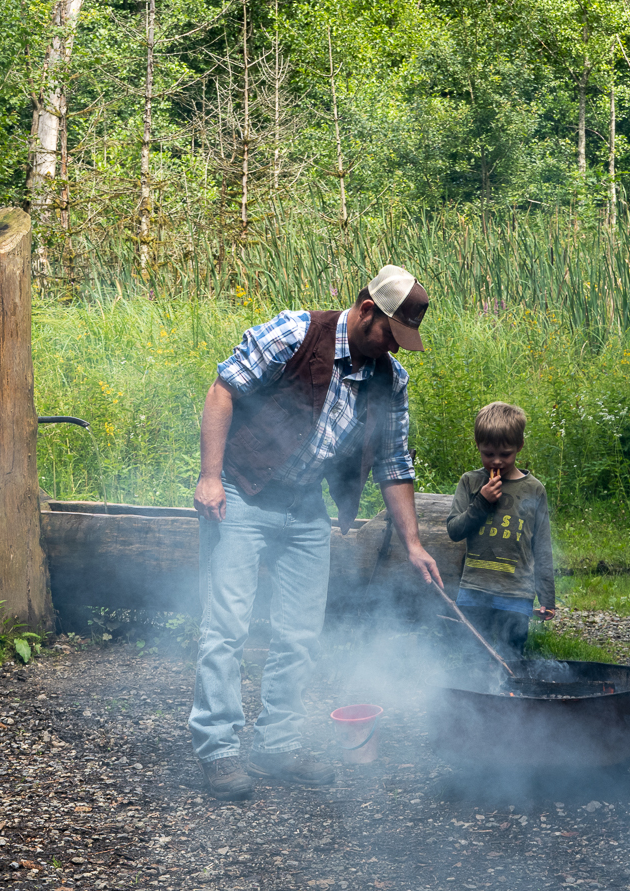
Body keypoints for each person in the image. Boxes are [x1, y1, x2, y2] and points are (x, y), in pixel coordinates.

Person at [189, 265, 442, 800]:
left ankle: (276, 748)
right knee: (228, 626)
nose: (392, 350)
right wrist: (210, 477)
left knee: (300, 635)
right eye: (389, 337)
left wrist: (414, 545)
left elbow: (394, 464)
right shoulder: (295, 332)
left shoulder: (389, 380)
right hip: (243, 491)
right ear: (367, 309)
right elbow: (222, 390)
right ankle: (217, 750)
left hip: (304, 506)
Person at [444, 401, 555, 662]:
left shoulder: (534, 489)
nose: (496, 461)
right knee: (473, 657)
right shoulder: (470, 482)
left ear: (519, 447)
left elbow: (542, 546)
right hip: (474, 590)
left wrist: (547, 596)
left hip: (516, 594)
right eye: (488, 453)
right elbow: (454, 530)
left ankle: (508, 701)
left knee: (511, 657)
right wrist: (481, 502)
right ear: (478, 446)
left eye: (505, 454)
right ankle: (473, 702)